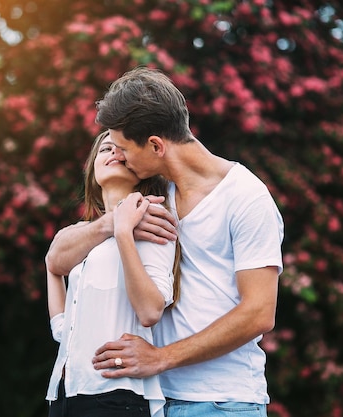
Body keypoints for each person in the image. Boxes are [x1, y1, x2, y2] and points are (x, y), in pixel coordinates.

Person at [45, 67, 284, 417]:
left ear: (156, 145)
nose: (120, 157)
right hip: (155, 400)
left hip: (222, 401)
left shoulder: (246, 197)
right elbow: (59, 254)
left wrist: (160, 358)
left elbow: (259, 314)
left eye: (124, 148)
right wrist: (114, 224)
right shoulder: (155, 196)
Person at [45, 130, 180, 417]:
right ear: (93, 169)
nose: (113, 154)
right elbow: (55, 264)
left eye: (121, 149)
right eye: (106, 149)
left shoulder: (153, 222)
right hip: (64, 394)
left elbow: (149, 310)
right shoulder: (83, 233)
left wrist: (123, 233)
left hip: (116, 395)